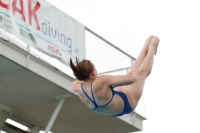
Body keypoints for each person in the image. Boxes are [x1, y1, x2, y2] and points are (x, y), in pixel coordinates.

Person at [69, 35, 159, 116]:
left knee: (130, 75)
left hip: (112, 108)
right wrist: (112, 82)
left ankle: (145, 49)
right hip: (127, 103)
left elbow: (79, 82)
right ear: (93, 73)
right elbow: (132, 79)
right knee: (140, 74)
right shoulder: (101, 81)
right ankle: (151, 49)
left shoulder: (76, 86)